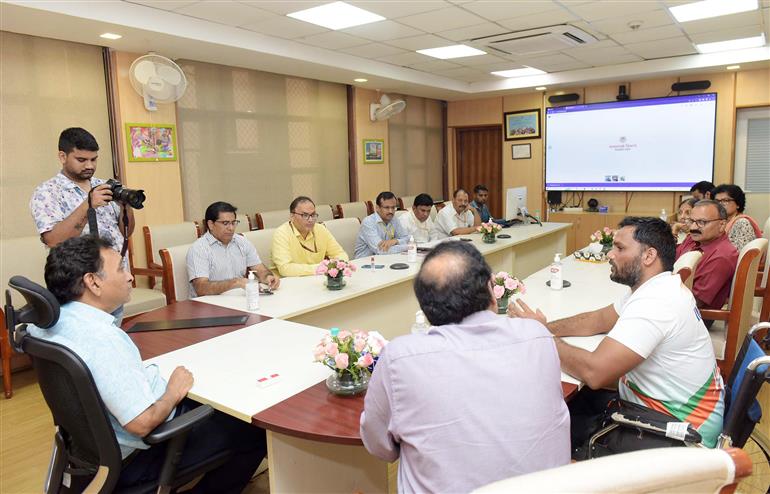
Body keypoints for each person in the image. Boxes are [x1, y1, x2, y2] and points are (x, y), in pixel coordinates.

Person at [29, 236, 266, 493]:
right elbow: (141, 422)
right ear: (93, 282)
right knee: (253, 429)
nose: (130, 277)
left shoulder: (48, 323)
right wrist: (173, 391)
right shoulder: (103, 339)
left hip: (89, 451)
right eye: (120, 268)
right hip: (141, 455)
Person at [361, 241, 569, 493]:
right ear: (491, 288)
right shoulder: (538, 335)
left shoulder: (400, 357)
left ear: (426, 310)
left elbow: (379, 446)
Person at [510, 217, 724, 456]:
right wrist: (546, 327)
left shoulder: (657, 303)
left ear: (648, 256)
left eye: (620, 248)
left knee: (539, 431)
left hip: (675, 438)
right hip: (655, 411)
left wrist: (540, 337)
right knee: (565, 405)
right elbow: (597, 320)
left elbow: (595, 373)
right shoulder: (657, 287)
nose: (610, 254)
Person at [30, 127, 135, 325]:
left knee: (111, 342)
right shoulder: (47, 192)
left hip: (112, 282)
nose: (89, 165)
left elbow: (125, 231)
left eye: (94, 159)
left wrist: (126, 208)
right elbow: (53, 240)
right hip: (79, 290)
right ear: (62, 156)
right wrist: (88, 205)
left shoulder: (104, 185)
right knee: (84, 345)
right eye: (81, 160)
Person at [187, 201, 279, 297]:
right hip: (209, 305)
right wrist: (235, 283)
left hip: (238, 300)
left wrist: (268, 277)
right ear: (210, 224)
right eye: (225, 223)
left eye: (234, 223)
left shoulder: (242, 242)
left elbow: (259, 269)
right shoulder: (199, 249)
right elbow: (201, 288)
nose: (231, 228)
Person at [676, 200, 738, 311]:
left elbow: (696, 301)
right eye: (692, 221)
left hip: (693, 316)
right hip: (674, 299)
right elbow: (669, 262)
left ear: (722, 225)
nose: (693, 227)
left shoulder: (721, 256)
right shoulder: (693, 239)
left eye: (701, 222)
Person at [271, 196, 348, 276]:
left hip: (316, 279)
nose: (310, 220)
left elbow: (340, 254)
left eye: (313, 215)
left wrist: (336, 265)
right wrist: (320, 268)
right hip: (288, 282)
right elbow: (285, 269)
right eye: (305, 215)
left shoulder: (320, 229)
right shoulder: (281, 233)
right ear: (292, 216)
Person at [354, 191, 410, 259]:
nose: (391, 211)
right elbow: (381, 250)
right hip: (364, 262)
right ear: (377, 208)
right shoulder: (368, 222)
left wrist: (395, 241)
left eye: (393, 207)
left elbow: (407, 238)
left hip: (385, 259)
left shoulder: (394, 219)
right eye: (386, 207)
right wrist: (408, 247)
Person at [712, 184, 762, 252]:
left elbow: (742, 254)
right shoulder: (719, 222)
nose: (720, 204)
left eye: (726, 200)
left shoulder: (742, 223)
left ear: (738, 204)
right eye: (717, 201)